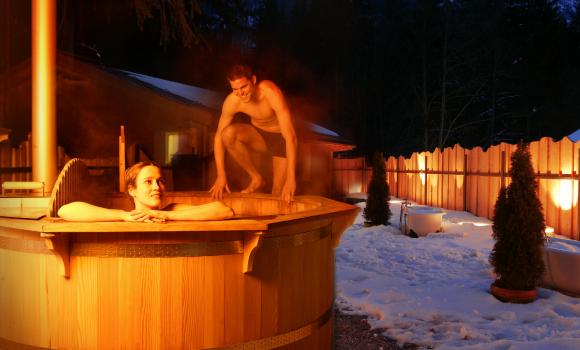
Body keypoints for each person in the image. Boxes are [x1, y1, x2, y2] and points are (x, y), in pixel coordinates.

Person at [209, 64, 298, 203]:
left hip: (282, 138)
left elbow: (291, 136)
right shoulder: (232, 101)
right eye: (235, 89)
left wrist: (291, 179)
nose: (240, 93)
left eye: (244, 87)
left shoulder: (271, 92)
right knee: (227, 134)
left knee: (278, 194)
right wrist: (221, 174)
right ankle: (256, 178)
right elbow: (218, 138)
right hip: (260, 137)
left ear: (253, 80)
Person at [58, 161, 234, 222]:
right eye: (148, 182)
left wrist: (166, 216)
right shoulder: (127, 216)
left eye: (160, 181)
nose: (157, 187)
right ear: (132, 190)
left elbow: (224, 210)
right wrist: (123, 216)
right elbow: (65, 210)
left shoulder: (171, 210)